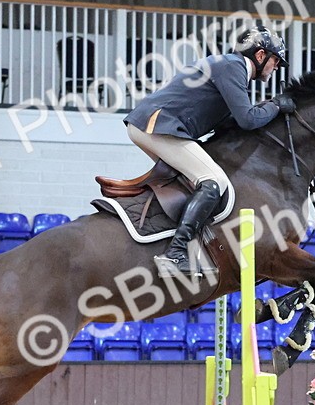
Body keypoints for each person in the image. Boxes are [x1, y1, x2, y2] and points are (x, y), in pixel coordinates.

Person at [124, 25, 294, 277]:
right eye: (275, 60)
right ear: (260, 56)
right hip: (158, 126)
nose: (276, 67)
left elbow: (232, 123)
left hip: (155, 125)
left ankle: (167, 237)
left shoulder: (229, 67)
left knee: (192, 180)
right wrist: (276, 106)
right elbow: (247, 119)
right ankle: (175, 253)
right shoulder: (233, 66)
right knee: (213, 181)